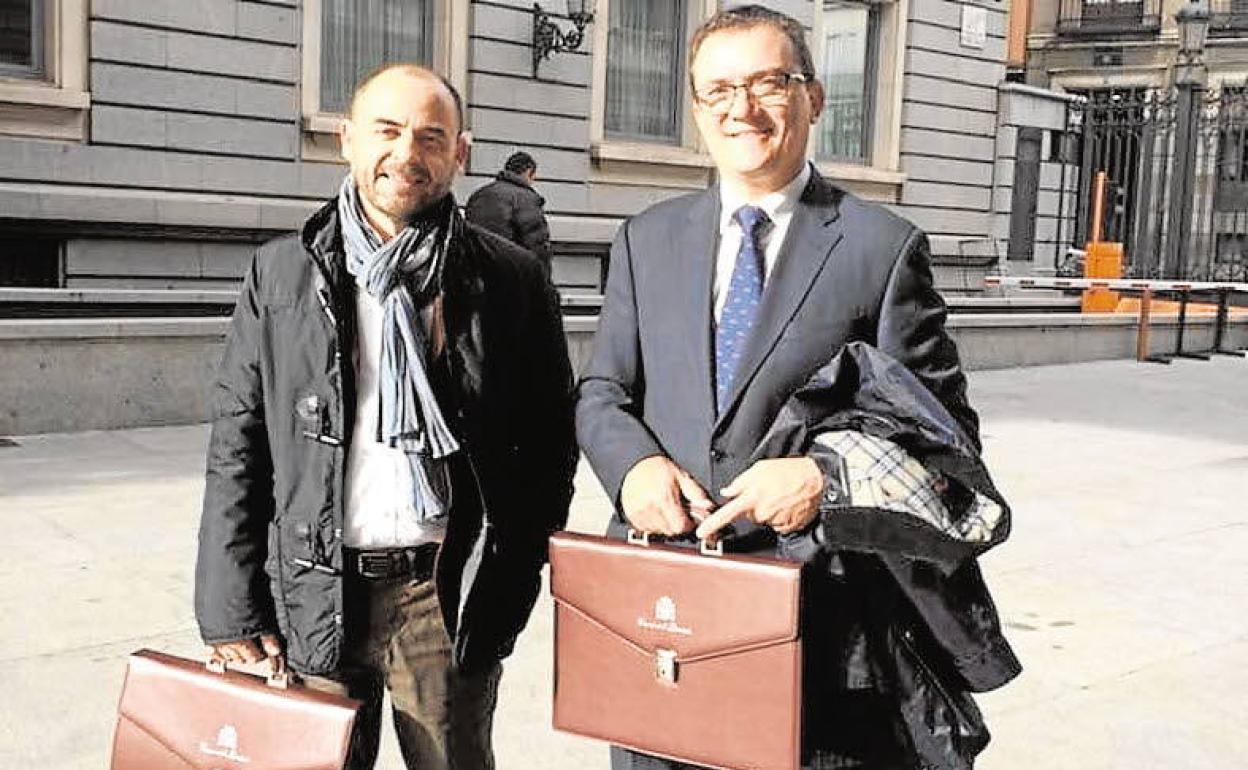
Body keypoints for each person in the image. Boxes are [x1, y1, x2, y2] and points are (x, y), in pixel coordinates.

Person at [575, 6, 1018, 769]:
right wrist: (633, 466)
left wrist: (823, 477)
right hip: (665, 621)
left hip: (821, 639)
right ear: (697, 108)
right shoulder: (645, 240)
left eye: (768, 83)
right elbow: (603, 392)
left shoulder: (881, 249)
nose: (741, 109)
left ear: (813, 98)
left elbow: (947, 440)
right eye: (718, 91)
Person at [194, 63, 577, 770]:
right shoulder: (282, 274)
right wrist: (229, 607)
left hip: (445, 593)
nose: (407, 153)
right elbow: (238, 443)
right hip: (315, 587)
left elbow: (551, 449)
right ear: (346, 140)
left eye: (431, 136)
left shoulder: (512, 280)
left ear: (460, 154)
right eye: (388, 131)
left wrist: (513, 576)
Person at [465, 150, 554, 274]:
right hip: (510, 278)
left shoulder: (478, 195)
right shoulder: (526, 198)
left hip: (475, 276)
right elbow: (537, 247)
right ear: (529, 172)